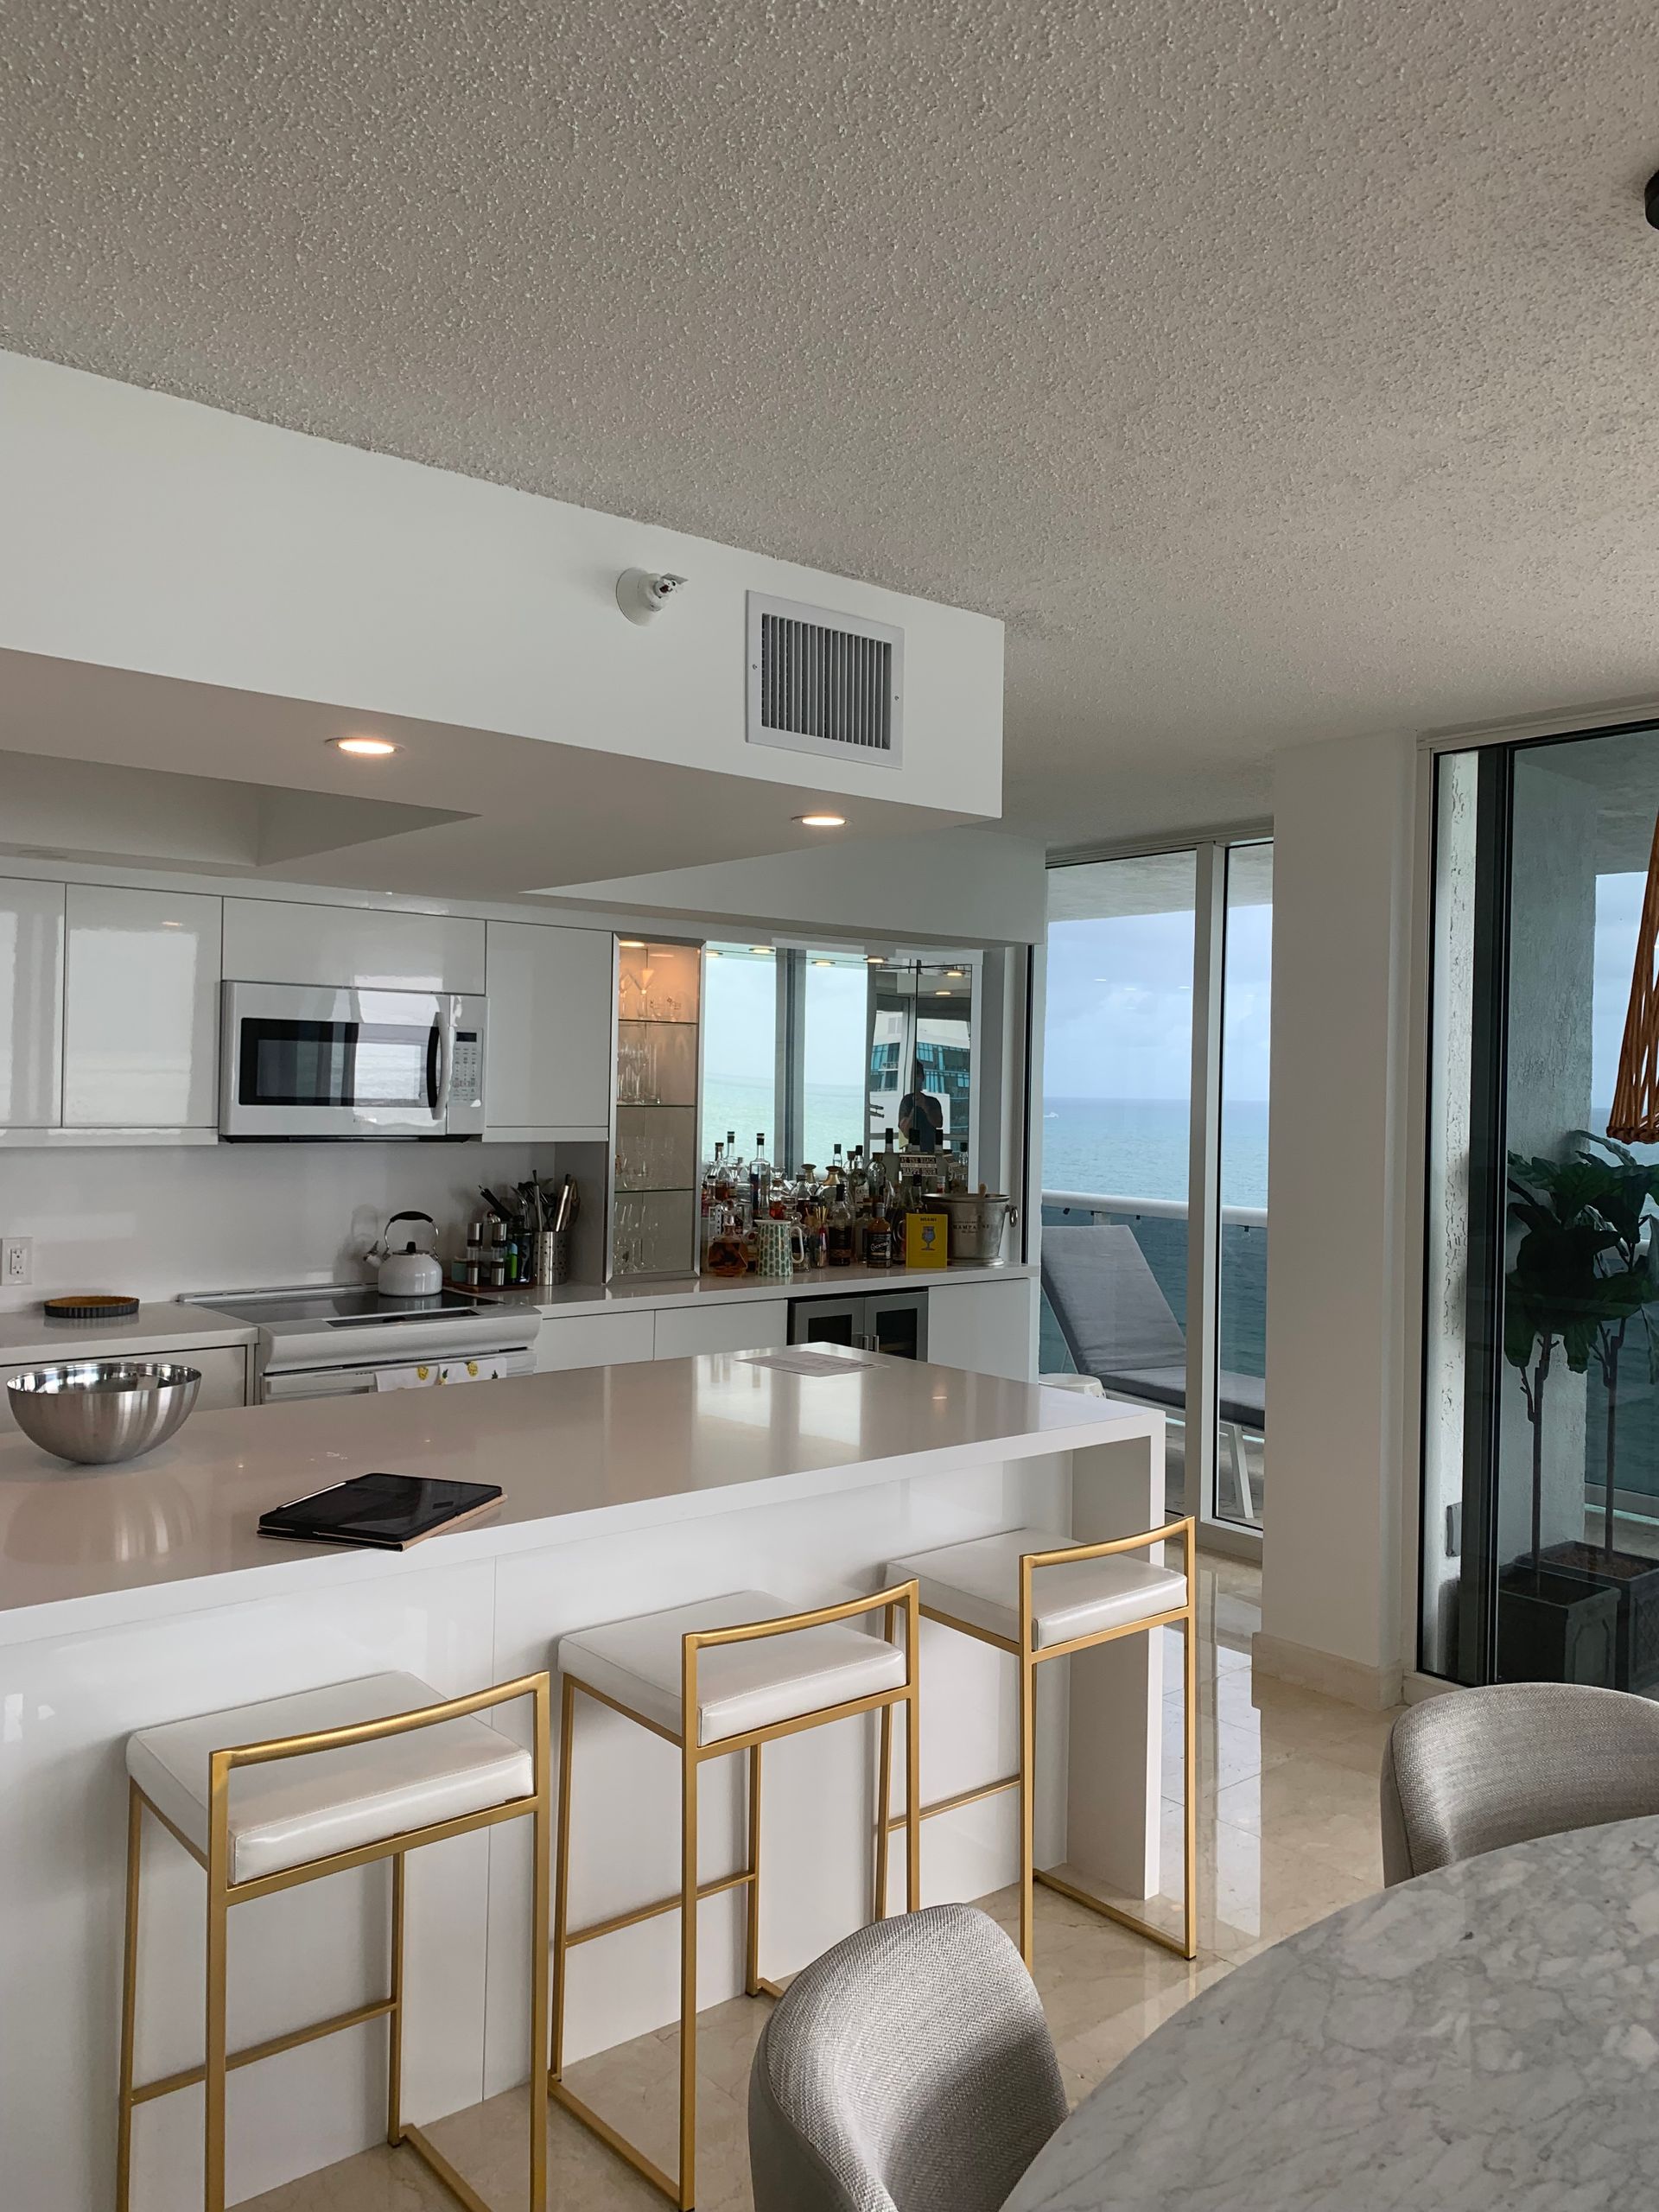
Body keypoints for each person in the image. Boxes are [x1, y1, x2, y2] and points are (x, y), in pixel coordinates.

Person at [897, 1084, 944, 1154]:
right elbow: (906, 1132)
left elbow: (938, 1124)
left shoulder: (933, 1102)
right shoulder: (907, 1101)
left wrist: (925, 1106)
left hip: (930, 1148)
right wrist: (914, 1109)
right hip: (911, 1149)